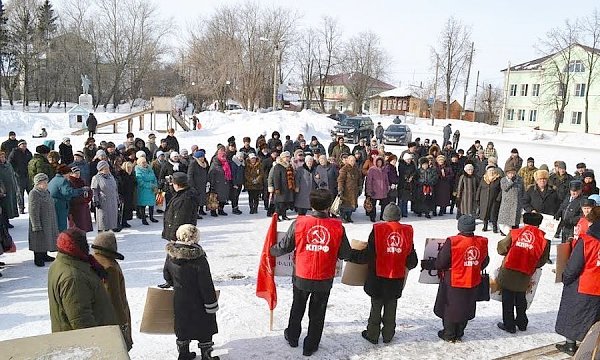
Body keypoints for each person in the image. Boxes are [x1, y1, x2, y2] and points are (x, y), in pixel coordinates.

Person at [270, 189, 366, 357]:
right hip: (324, 276)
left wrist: (270, 250)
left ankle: (292, 336)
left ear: (311, 204)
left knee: (297, 306)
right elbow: (344, 254)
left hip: (302, 274)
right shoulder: (337, 227)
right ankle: (311, 345)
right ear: (329, 206)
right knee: (318, 312)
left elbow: (284, 247)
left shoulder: (299, 223)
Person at [424, 215, 489, 342]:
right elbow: (485, 261)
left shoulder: (453, 241)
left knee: (450, 308)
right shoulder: (481, 241)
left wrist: (431, 264)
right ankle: (459, 332)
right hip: (472, 280)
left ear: (460, 227)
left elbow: (441, 262)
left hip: (454, 280)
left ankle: (448, 334)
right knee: (466, 306)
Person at [360, 203, 418, 344]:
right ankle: (388, 334)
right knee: (391, 306)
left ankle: (372, 334)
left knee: (376, 306)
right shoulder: (407, 232)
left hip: (377, 276)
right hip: (396, 277)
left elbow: (369, 254)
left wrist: (353, 255)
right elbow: (412, 260)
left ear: (385, 216)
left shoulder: (378, 230)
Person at [161, 225, 220, 360]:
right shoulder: (199, 258)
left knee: (182, 325)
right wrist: (211, 303)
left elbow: (166, 275)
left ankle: (184, 353)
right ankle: (206, 354)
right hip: (199, 300)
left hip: (180, 299)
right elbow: (206, 283)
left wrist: (174, 283)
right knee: (204, 326)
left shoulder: (171, 255)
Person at [48, 228, 117, 332]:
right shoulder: (73, 278)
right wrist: (98, 342)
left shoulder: (61, 263)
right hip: (87, 342)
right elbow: (81, 320)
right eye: (83, 243)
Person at [555, 207, 600, 356]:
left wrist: (565, 277)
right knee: (593, 319)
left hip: (583, 284)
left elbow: (574, 266)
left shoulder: (587, 241)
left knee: (573, 315)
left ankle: (570, 345)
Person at [496, 212, 549, 333]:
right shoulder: (544, 239)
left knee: (508, 299)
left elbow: (501, 248)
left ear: (524, 221)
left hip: (509, 270)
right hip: (526, 273)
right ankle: (522, 322)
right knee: (521, 298)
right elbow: (542, 260)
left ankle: (509, 325)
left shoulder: (515, 233)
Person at [91, 231, 133, 350]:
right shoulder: (110, 267)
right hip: (112, 317)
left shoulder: (93, 261)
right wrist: (123, 321)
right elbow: (114, 298)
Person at [28, 173, 59, 267]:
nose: (46, 184)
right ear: (38, 183)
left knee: (46, 238)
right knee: (38, 239)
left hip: (48, 220)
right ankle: (38, 258)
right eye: (44, 183)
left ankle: (44, 255)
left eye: (46, 182)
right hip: (39, 220)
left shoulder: (46, 192)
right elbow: (33, 210)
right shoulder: (34, 193)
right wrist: (36, 224)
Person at [48, 165, 87, 232]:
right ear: (65, 173)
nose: (69, 176)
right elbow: (68, 192)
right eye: (69, 174)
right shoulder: (63, 181)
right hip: (60, 205)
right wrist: (81, 190)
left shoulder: (53, 179)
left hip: (53, 204)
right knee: (61, 225)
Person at [162, 172, 199, 242]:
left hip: (181, 235)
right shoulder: (187, 192)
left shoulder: (184, 200)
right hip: (185, 233)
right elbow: (177, 194)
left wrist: (173, 236)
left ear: (177, 185)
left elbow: (179, 219)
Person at [91, 161, 120, 233]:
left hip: (112, 201)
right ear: (100, 169)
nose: (107, 170)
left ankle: (110, 233)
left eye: (108, 168)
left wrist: (118, 200)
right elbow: (94, 190)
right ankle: (102, 234)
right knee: (103, 219)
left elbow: (115, 189)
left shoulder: (111, 176)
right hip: (103, 202)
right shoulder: (96, 178)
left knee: (112, 219)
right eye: (105, 168)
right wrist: (96, 201)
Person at [497, 165, 524, 235]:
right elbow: (504, 187)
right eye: (510, 173)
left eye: (513, 173)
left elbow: (523, 191)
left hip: (517, 203)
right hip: (507, 204)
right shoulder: (503, 180)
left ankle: (515, 233)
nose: (512, 175)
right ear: (507, 173)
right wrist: (511, 181)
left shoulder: (520, 179)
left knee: (515, 221)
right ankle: (504, 232)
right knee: (505, 220)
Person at [8, 140, 33, 214]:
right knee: (20, 193)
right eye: (22, 144)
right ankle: (21, 208)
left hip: (27, 175)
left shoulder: (28, 152)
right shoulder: (15, 152)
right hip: (19, 176)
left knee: (31, 192)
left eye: (25, 144)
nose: (24, 145)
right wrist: (16, 170)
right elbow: (10, 162)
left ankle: (32, 206)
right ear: (19, 145)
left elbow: (31, 162)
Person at [477, 166, 502, 233]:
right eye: (490, 170)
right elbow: (480, 188)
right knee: (485, 213)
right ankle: (485, 226)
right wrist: (477, 197)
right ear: (487, 171)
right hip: (484, 199)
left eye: (493, 170)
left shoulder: (498, 178)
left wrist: (498, 198)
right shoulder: (484, 178)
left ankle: (495, 227)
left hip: (494, 199)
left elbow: (501, 190)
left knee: (493, 214)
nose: (491, 172)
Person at [68, 167, 93, 232]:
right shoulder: (69, 182)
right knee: (76, 228)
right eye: (75, 173)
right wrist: (83, 199)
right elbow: (71, 195)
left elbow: (89, 191)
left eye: (78, 173)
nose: (77, 174)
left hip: (84, 207)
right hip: (75, 208)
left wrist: (88, 198)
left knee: (84, 227)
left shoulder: (82, 181)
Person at [208, 148, 231, 217]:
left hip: (224, 183)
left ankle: (221, 210)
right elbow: (211, 174)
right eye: (222, 156)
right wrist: (212, 184)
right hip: (216, 183)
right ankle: (213, 211)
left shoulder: (226, 163)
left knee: (223, 198)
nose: (224, 157)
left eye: (224, 156)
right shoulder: (215, 164)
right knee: (214, 198)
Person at [134, 157, 159, 225]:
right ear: (139, 163)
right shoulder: (138, 170)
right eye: (143, 162)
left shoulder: (149, 169)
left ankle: (151, 217)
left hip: (151, 190)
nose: (145, 163)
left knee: (151, 204)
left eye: (145, 162)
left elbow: (154, 178)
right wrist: (150, 185)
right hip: (143, 190)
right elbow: (140, 182)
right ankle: (143, 219)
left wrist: (155, 185)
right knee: (143, 205)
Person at [337, 155, 361, 223]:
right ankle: (343, 217)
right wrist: (340, 189)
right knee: (344, 205)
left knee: (351, 205)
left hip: (354, 190)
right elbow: (340, 180)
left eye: (354, 160)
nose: (352, 162)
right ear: (347, 161)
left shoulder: (356, 169)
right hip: (346, 191)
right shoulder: (344, 169)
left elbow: (359, 179)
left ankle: (349, 217)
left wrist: (360, 187)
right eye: (351, 160)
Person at [366, 157, 390, 222]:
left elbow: (386, 179)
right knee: (373, 205)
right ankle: (372, 217)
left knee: (384, 205)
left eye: (380, 162)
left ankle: (382, 217)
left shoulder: (384, 169)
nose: (379, 163)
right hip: (375, 190)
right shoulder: (372, 169)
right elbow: (369, 181)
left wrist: (388, 187)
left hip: (383, 190)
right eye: (378, 162)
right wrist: (369, 190)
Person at [115, 161, 136, 228]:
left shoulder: (131, 175)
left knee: (128, 209)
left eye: (131, 168)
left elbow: (134, 183)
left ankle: (125, 221)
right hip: (123, 194)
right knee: (122, 210)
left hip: (129, 194)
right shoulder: (121, 174)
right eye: (128, 167)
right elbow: (120, 185)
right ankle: (121, 222)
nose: (130, 169)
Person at [0, 151, 18, 227]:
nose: (2, 158)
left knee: (9, 206)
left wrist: (15, 186)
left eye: (3, 157)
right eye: (1, 157)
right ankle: (4, 222)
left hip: (10, 188)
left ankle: (7, 221)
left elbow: (12, 176)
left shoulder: (8, 164)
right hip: (2, 190)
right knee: (3, 207)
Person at [188, 150, 209, 217]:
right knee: (196, 199)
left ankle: (201, 210)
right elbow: (190, 175)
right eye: (201, 157)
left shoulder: (204, 164)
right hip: (196, 184)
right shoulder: (193, 163)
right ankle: (195, 213)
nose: (202, 158)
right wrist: (192, 185)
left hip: (202, 183)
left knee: (202, 197)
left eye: (203, 157)